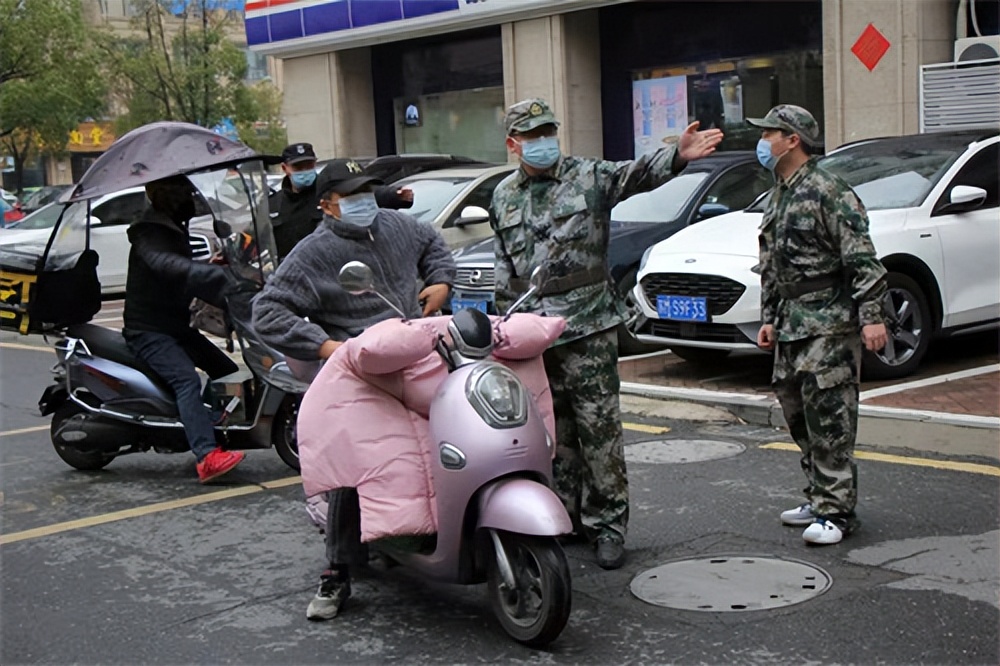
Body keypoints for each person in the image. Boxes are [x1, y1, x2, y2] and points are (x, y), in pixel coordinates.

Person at [490, 98, 724, 570]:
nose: (543, 142)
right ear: (514, 144)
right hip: (535, 333)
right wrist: (503, 327)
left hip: (587, 324)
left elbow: (636, 174)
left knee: (599, 430)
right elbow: (503, 265)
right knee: (554, 432)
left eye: (548, 132)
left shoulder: (588, 176)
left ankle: (608, 525)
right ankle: (566, 514)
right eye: (532, 136)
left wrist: (677, 156)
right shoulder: (503, 196)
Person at [251, 159, 456, 620]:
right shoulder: (313, 252)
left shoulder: (398, 226)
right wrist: (328, 347)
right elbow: (268, 312)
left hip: (418, 355)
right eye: (352, 196)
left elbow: (433, 244)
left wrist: (441, 280)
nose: (364, 202)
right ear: (327, 205)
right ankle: (338, 570)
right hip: (361, 370)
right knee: (355, 462)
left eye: (367, 192)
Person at [750, 104, 888, 546]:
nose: (762, 141)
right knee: (798, 415)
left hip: (828, 322)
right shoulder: (779, 193)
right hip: (792, 323)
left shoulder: (829, 190)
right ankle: (819, 494)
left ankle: (837, 511)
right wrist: (769, 317)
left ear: (793, 140)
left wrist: (872, 317)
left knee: (830, 418)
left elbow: (861, 258)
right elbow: (772, 265)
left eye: (769, 133)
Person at [122, 175, 246, 483]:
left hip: (176, 325)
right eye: (181, 192)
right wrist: (210, 275)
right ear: (159, 195)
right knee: (186, 380)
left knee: (227, 372)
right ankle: (206, 455)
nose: (189, 197)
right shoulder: (147, 232)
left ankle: (209, 423)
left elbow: (185, 277)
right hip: (149, 330)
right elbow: (167, 265)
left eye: (189, 191)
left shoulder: (175, 227)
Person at [269, 143, 414, 258]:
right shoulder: (273, 204)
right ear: (285, 168)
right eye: (298, 167)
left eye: (309, 165)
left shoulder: (328, 191)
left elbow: (365, 194)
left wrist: (396, 195)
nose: (304, 171)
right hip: (291, 271)